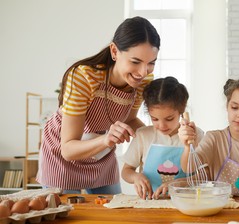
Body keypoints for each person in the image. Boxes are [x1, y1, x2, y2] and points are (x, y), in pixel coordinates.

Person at [36, 17, 160, 194]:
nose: (142, 72)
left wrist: (160, 138)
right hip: (63, 153)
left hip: (101, 153)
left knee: (112, 212)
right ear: (115, 51)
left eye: (151, 63)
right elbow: (68, 149)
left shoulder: (144, 80)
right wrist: (106, 139)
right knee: (68, 216)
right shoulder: (84, 77)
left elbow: (130, 119)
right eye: (135, 62)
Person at [121, 76, 204, 200]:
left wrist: (178, 184)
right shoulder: (143, 135)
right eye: (154, 119)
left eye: (169, 119)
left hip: (187, 202)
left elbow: (204, 175)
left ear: (181, 111)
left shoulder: (195, 134)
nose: (161, 125)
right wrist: (136, 177)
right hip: (151, 202)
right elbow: (126, 171)